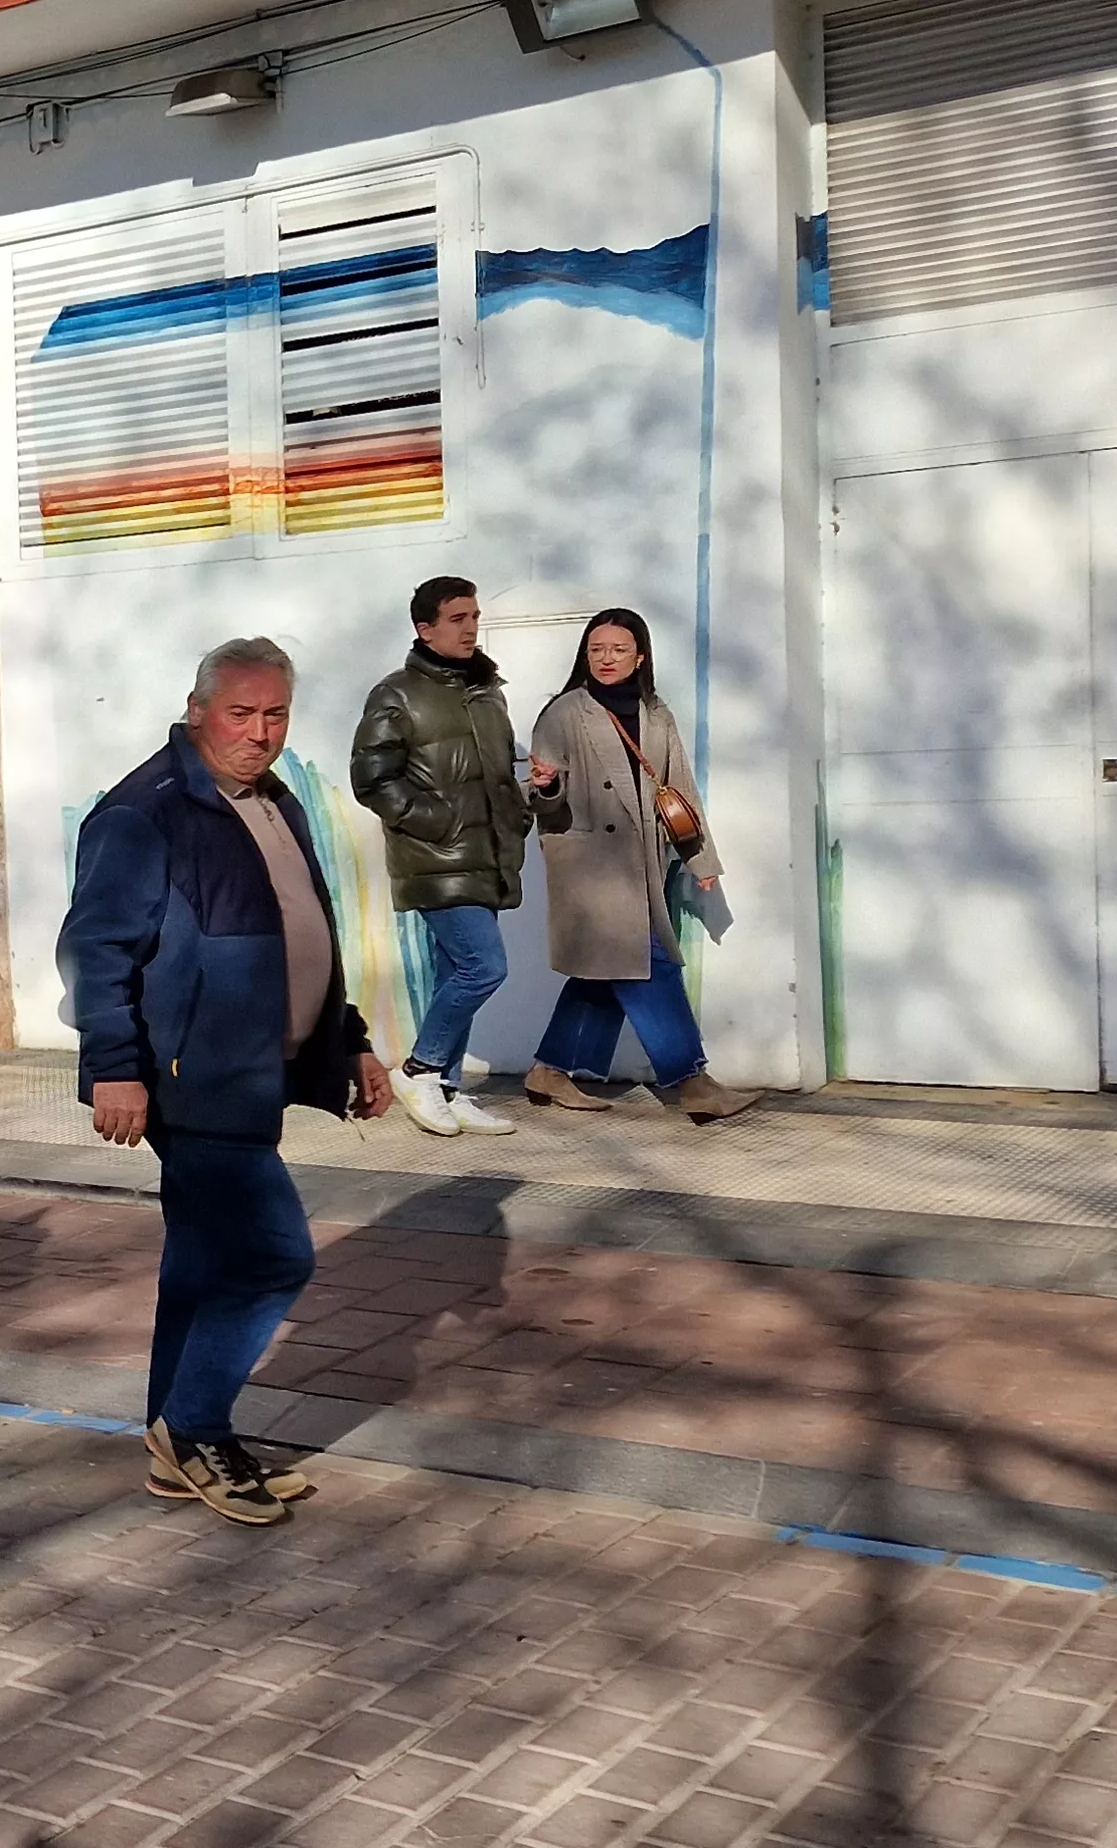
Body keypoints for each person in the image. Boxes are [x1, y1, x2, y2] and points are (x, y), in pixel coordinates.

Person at [62, 637, 392, 1527]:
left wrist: (348, 1041)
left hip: (257, 1071)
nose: (260, 732)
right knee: (272, 1254)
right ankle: (197, 1428)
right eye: (241, 714)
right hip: (191, 1077)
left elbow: (301, 931)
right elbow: (97, 954)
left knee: (203, 1263)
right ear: (198, 708)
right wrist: (114, 1070)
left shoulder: (273, 800)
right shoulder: (146, 812)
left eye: (275, 714)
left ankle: (175, 1443)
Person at [522, 609, 753, 1124]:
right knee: (649, 964)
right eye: (596, 649)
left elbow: (680, 788)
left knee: (605, 973)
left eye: (619, 649)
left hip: (641, 864)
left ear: (640, 656)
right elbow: (537, 797)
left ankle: (551, 1070)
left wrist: (700, 859)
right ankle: (691, 1080)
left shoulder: (655, 713)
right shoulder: (564, 713)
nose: (606, 659)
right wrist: (544, 786)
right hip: (590, 869)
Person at [350, 576, 528, 1137]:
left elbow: (496, 777)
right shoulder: (396, 693)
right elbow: (372, 778)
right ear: (424, 628)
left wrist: (530, 799)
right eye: (457, 618)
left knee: (458, 970)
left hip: (487, 853)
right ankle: (420, 1069)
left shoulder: (486, 692)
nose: (471, 627)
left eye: (474, 616)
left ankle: (447, 1089)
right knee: (485, 966)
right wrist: (437, 821)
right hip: (437, 858)